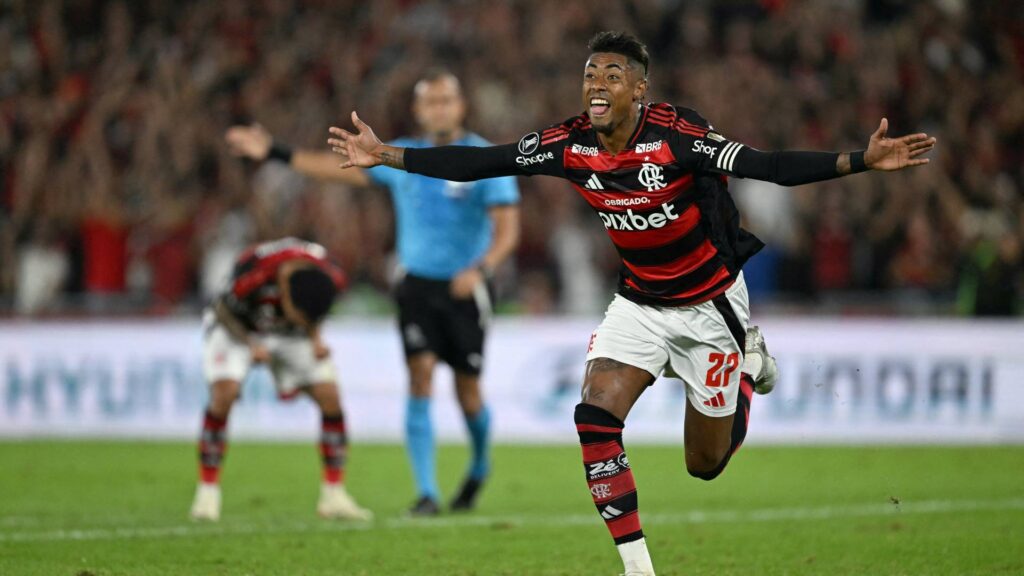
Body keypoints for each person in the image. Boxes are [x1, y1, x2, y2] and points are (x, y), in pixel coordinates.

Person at [328, 31, 936, 576]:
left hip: (710, 306)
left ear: (639, 89)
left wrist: (860, 160)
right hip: (639, 303)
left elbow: (767, 165)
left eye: (612, 76)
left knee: (705, 464)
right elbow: (486, 160)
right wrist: (387, 155)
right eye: (590, 74)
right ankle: (637, 568)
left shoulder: (678, 138)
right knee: (594, 415)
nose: (596, 84)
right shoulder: (569, 143)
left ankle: (749, 366)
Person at [224, 69, 520, 516]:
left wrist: (481, 270)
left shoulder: (483, 159)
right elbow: (336, 169)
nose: (440, 109)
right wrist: (275, 152)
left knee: (468, 393)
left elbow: (508, 231)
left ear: (461, 106)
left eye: (447, 100)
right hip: (417, 284)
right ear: (418, 110)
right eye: (431, 101)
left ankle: (479, 465)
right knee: (419, 377)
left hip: (466, 287)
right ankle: (427, 493)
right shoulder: (399, 156)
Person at [190, 237, 372, 522]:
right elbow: (223, 310)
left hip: (290, 335)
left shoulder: (333, 275)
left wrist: (315, 336)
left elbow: (313, 308)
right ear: (284, 292)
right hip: (239, 328)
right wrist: (251, 344)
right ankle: (207, 493)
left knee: (330, 396)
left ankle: (334, 495)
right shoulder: (252, 274)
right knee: (224, 394)